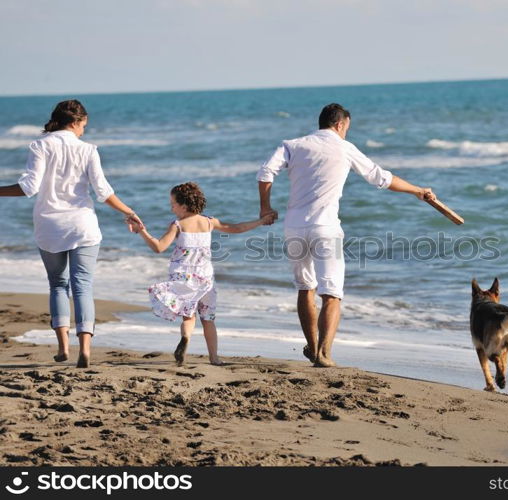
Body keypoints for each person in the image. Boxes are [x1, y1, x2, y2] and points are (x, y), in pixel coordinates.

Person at [257, 103, 435, 368]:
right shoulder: (345, 148)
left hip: (294, 226)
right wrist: (417, 190)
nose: (346, 134)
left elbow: (265, 172)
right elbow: (381, 178)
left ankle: (313, 347)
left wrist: (265, 206)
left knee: (305, 288)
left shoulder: (292, 145)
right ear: (340, 124)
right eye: (346, 129)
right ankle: (324, 354)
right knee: (332, 294)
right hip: (325, 228)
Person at [0, 100, 142, 368]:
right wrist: (129, 211)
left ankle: (63, 347)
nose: (84, 131)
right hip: (83, 225)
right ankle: (85, 350)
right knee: (83, 285)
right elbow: (103, 192)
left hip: (49, 227)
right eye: (84, 126)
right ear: (76, 122)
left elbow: (28, 187)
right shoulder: (88, 150)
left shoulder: (40, 145)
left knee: (58, 284)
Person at [129, 182, 275, 366]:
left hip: (183, 276)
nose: (171, 207)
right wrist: (261, 221)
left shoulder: (178, 225)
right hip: (205, 278)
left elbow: (158, 247)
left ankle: (186, 338)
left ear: (183, 205)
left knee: (188, 316)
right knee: (208, 318)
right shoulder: (208, 222)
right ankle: (214, 357)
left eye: (172, 203)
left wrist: (142, 231)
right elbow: (236, 228)